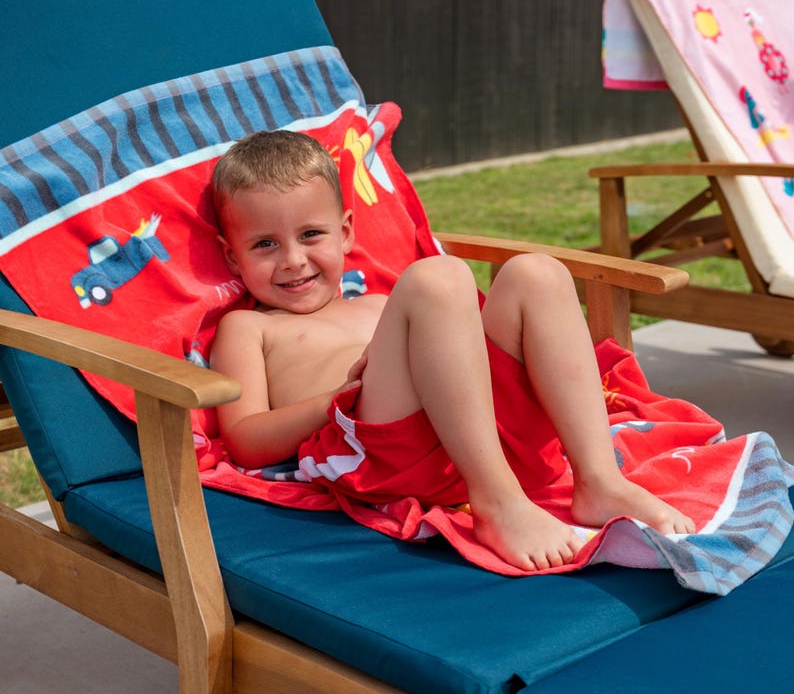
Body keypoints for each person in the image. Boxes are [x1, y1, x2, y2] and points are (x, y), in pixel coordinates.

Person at [209, 129, 694, 572]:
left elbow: (467, 354)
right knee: (438, 277)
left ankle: (598, 480)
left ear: (346, 233)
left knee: (537, 272)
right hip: (383, 455)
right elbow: (246, 441)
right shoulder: (249, 327)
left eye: (310, 235)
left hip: (481, 438)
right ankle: (497, 502)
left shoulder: (382, 304)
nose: (292, 260)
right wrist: (330, 399)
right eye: (265, 245)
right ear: (233, 256)